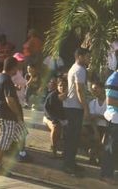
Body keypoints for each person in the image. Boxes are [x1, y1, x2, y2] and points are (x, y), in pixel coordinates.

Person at [0, 57, 30, 174]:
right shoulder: (6, 79)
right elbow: (10, 100)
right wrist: (18, 115)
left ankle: (21, 153)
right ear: (13, 68)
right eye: (17, 68)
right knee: (3, 140)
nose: (17, 70)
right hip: (6, 115)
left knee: (22, 132)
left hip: (6, 114)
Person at [62, 47, 91, 177]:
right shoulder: (80, 70)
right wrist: (85, 108)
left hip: (71, 107)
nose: (88, 59)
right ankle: (68, 165)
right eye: (87, 56)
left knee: (73, 137)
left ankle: (71, 163)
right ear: (79, 56)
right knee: (72, 137)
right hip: (74, 108)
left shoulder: (76, 68)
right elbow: (79, 90)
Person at [101, 66, 118, 184]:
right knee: (110, 148)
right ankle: (106, 174)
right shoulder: (113, 79)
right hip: (114, 119)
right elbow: (110, 101)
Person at [43, 77, 67, 157]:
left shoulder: (70, 96)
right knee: (55, 127)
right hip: (49, 117)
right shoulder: (52, 95)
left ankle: (66, 151)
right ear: (57, 86)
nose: (62, 87)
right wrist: (53, 119)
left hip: (63, 118)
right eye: (60, 85)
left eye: (64, 86)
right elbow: (46, 109)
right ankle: (54, 149)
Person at [87, 82, 107, 165]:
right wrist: (96, 132)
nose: (94, 91)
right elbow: (91, 119)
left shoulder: (109, 102)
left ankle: (98, 156)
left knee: (104, 141)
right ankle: (93, 155)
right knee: (95, 138)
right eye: (93, 89)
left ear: (102, 89)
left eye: (96, 88)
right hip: (96, 127)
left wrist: (98, 116)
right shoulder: (92, 103)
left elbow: (111, 118)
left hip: (107, 128)